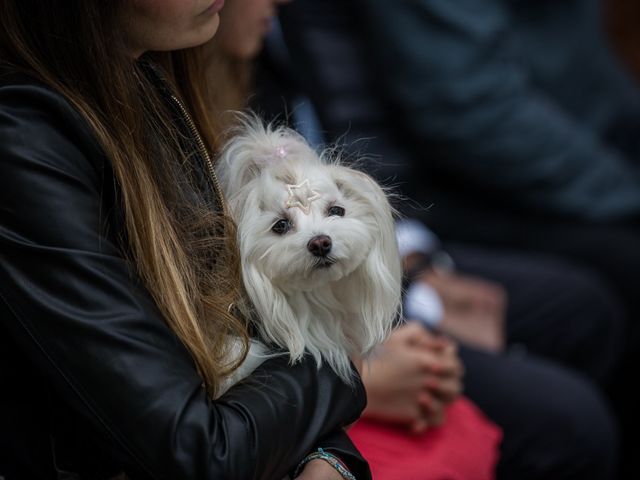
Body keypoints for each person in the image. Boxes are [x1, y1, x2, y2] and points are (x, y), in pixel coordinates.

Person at [207, 1, 624, 479]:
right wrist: (363, 380)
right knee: (570, 420)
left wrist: (421, 274)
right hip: (316, 351)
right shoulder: (206, 120)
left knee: (586, 308)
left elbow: (362, 178)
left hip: (366, 290)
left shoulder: (269, 52)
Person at [0, 2, 370, 479]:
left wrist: (330, 458)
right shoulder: (23, 139)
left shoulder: (142, 79)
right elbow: (195, 449)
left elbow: (246, 336)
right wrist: (339, 364)